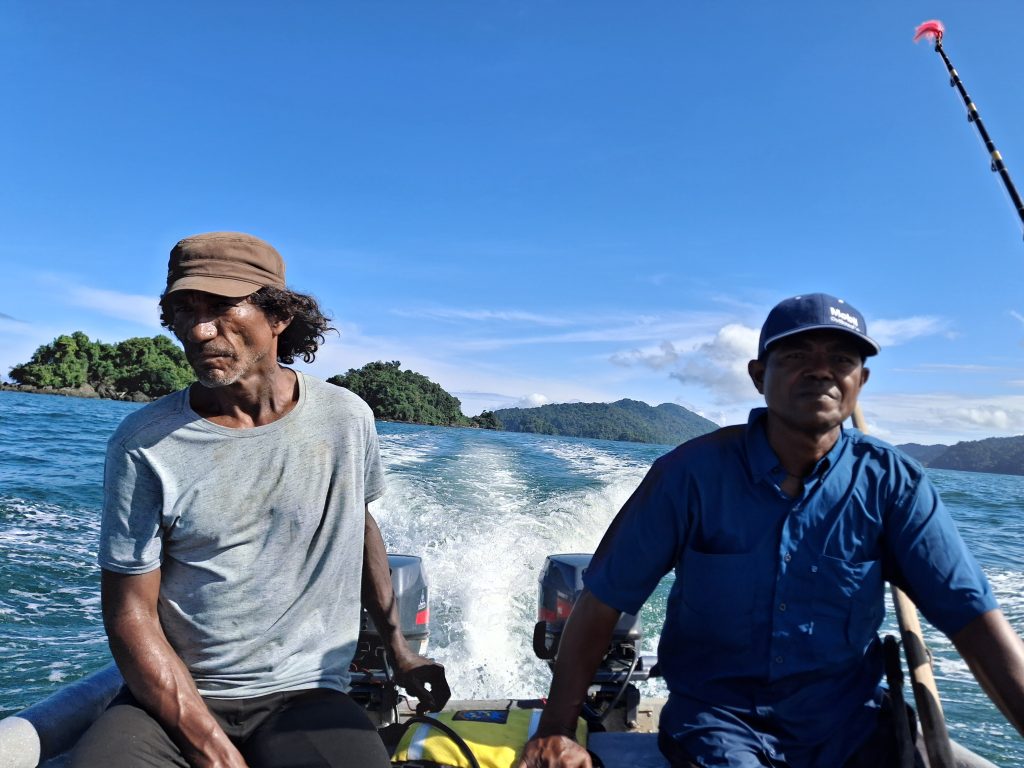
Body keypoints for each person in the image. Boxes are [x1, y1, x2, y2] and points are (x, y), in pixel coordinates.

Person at [519, 293, 1024, 768]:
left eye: (842, 359)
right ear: (759, 375)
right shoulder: (690, 475)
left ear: (861, 381)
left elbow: (973, 620)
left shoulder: (893, 484)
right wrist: (558, 728)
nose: (822, 370)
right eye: (798, 355)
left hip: (850, 725)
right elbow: (604, 599)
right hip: (719, 723)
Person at [71, 231, 450, 768]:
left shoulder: (345, 418)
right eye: (184, 310)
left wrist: (399, 649)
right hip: (175, 692)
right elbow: (129, 611)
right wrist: (212, 749)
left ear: (279, 316)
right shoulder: (144, 442)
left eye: (222, 307)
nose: (199, 330)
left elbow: (358, 525)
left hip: (303, 692)